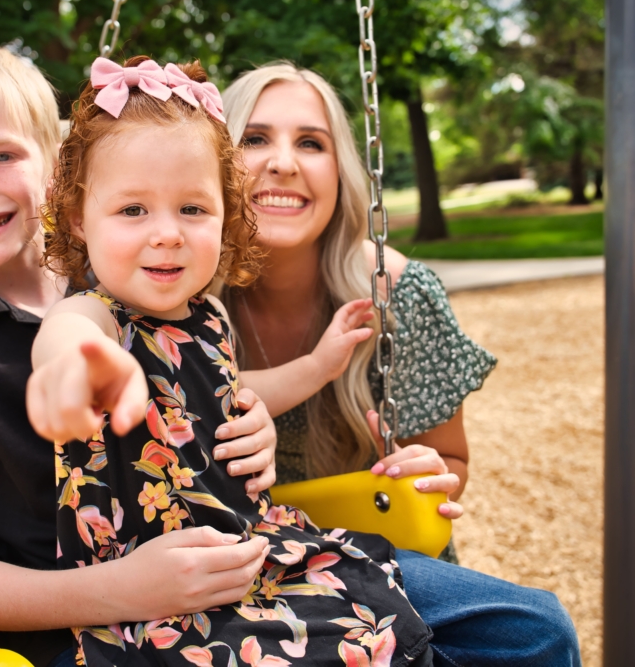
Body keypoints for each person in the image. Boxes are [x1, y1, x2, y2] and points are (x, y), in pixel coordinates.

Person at [0, 43, 282, 667]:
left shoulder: (122, 271)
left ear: (54, 172)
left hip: (223, 582)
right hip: (83, 635)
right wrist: (124, 591)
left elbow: (195, 388)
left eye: (0, 156)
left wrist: (248, 419)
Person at [27, 55, 434, 666]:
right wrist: (75, 369)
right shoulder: (96, 315)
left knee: (375, 628)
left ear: (227, 215)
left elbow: (240, 391)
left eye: (192, 209)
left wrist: (322, 366)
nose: (167, 233)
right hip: (156, 585)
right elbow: (62, 340)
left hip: (249, 547)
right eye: (133, 210)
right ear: (80, 217)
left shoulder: (209, 316)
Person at [219, 62, 583, 667]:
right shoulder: (170, 293)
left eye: (311, 143)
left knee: (538, 634)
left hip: (369, 553)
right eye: (254, 138)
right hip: (233, 558)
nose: (284, 161)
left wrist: (431, 473)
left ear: (340, 173)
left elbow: (452, 462)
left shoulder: (399, 295)